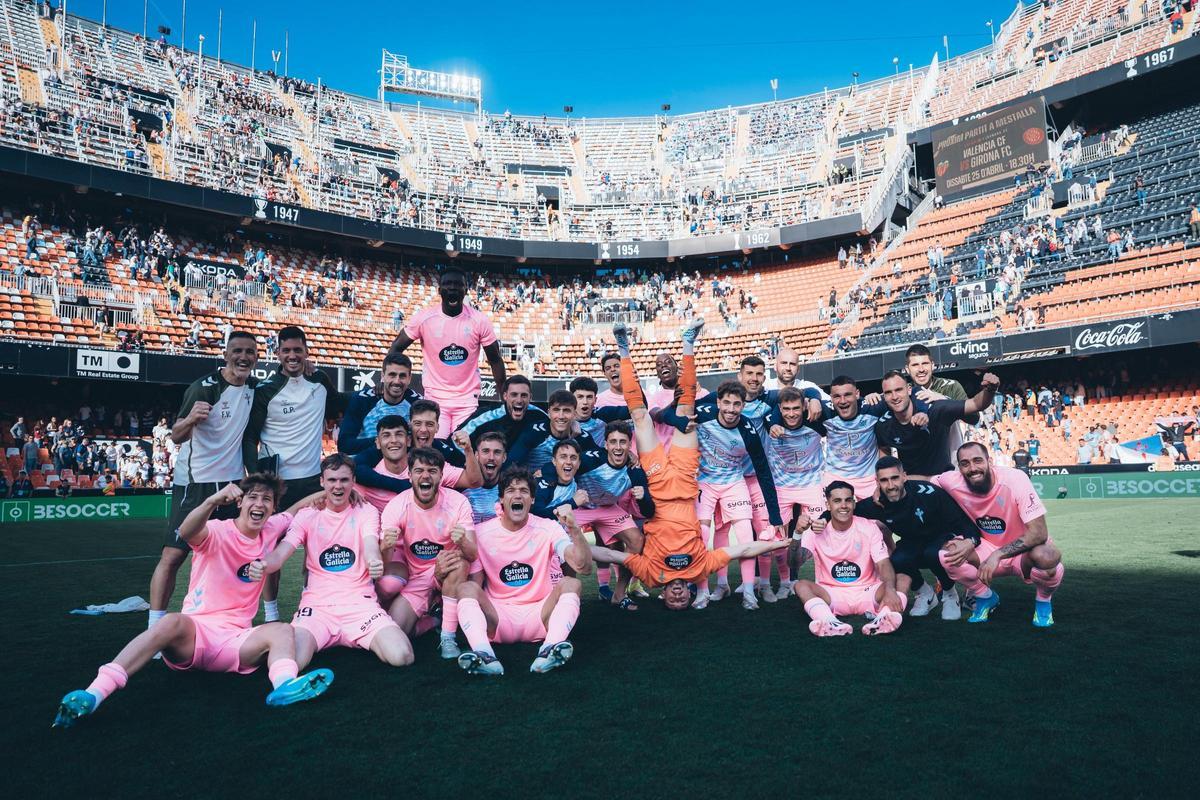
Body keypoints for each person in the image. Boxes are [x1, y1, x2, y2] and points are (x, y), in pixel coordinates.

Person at [53, 476, 333, 728]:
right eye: (253, 497)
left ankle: (285, 687)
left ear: (273, 508)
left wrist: (336, 489)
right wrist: (212, 500)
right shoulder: (217, 530)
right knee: (172, 621)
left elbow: (296, 509)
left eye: (267, 499)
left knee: (282, 629)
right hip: (194, 636)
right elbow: (187, 532)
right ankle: (94, 693)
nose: (260, 504)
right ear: (240, 502)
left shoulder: (272, 526)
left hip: (235, 642)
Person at [587, 320, 789, 611]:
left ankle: (623, 349)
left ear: (665, 597)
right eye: (683, 599)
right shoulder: (697, 570)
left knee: (640, 416)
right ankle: (689, 342)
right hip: (684, 480)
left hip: (655, 485)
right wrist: (774, 544)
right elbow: (740, 549)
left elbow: (613, 556)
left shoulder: (652, 575)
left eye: (674, 599)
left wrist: (566, 546)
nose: (679, 595)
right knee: (687, 408)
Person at [250, 454, 415, 667]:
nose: (338, 486)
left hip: (359, 605)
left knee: (402, 656)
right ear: (322, 482)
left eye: (344, 480)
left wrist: (374, 560)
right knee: (292, 660)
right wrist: (263, 565)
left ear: (354, 482)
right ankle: (285, 685)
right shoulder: (308, 514)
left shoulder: (367, 511)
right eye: (332, 480)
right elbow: (281, 554)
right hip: (318, 608)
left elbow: (371, 545)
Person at [149, 333, 258, 637]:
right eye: (237, 351)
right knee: (173, 555)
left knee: (231, 555)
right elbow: (176, 435)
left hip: (232, 482)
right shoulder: (204, 387)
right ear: (226, 354)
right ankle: (154, 629)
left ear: (257, 358)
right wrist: (190, 419)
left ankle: (226, 622)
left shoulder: (252, 387)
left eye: (250, 352)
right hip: (197, 482)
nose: (243, 357)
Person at [452, 467, 592, 676]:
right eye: (510, 490)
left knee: (572, 583)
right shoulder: (482, 533)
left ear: (532, 500)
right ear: (501, 499)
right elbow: (475, 583)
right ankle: (485, 655)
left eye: (524, 491)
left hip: (541, 615)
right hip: (499, 618)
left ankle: (549, 649)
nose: (517, 495)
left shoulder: (549, 527)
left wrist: (574, 530)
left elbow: (583, 567)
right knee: (466, 588)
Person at [242, 326, 338, 621]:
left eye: (298, 350)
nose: (293, 356)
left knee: (316, 547)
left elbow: (338, 405)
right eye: (287, 351)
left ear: (306, 351)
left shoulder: (320, 381)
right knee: (271, 549)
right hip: (278, 483)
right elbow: (249, 437)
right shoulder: (266, 391)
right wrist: (257, 477)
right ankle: (271, 614)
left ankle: (314, 607)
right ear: (278, 353)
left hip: (311, 481)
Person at [936, 443, 1064, 627]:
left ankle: (1043, 601)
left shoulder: (1014, 478)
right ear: (959, 468)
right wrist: (878, 484)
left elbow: (1039, 532)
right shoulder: (952, 480)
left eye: (977, 460)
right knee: (948, 554)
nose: (972, 468)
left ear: (990, 461)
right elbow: (922, 480)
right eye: (965, 463)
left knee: (1048, 556)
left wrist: (998, 554)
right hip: (985, 547)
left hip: (1022, 552)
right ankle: (985, 597)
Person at [693, 379, 786, 610]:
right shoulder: (703, 414)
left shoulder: (748, 431)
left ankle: (748, 591)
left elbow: (764, 472)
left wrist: (775, 517)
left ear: (743, 405)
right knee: (702, 536)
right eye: (726, 403)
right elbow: (671, 414)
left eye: (736, 404)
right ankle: (708, 589)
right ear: (718, 402)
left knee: (745, 535)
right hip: (705, 482)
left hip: (734, 482)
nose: (731, 409)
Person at [852, 457, 981, 619]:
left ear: (904, 476)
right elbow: (849, 510)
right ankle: (925, 594)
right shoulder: (878, 503)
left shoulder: (929, 493)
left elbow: (963, 522)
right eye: (884, 480)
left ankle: (950, 594)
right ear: (877, 482)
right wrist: (823, 518)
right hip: (912, 543)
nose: (891, 486)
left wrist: (971, 540)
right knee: (897, 559)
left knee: (933, 553)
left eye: (895, 478)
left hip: (939, 539)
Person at [380, 447, 476, 659]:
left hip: (450, 571)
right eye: (419, 470)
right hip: (418, 578)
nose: (425, 476)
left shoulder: (457, 502)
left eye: (432, 471)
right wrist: (386, 548)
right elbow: (383, 563)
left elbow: (473, 554)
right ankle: (435, 619)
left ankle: (448, 638)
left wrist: (462, 542)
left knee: (459, 562)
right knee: (396, 631)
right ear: (409, 475)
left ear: (441, 476)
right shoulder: (397, 506)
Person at [388, 268, 507, 437]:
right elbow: (396, 348)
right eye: (447, 284)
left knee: (462, 451)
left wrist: (504, 397)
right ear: (439, 290)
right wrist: (385, 379)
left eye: (458, 284)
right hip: (435, 399)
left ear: (465, 290)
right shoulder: (424, 318)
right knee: (435, 451)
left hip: (467, 400)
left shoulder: (479, 320)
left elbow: (495, 360)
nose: (452, 288)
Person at [789, 481, 906, 636]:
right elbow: (793, 563)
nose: (843, 505)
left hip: (868, 591)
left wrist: (890, 589)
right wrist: (797, 533)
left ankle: (883, 618)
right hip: (832, 594)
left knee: (903, 578)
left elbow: (883, 564)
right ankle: (829, 621)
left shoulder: (868, 527)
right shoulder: (815, 530)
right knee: (801, 585)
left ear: (854, 503)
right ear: (828, 505)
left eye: (848, 500)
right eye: (837, 501)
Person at [572, 422, 654, 608]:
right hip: (581, 507)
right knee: (559, 542)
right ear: (606, 444)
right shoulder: (590, 460)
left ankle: (619, 594)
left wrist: (643, 498)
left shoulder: (635, 471)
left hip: (608, 508)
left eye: (623, 442)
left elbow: (649, 511)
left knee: (636, 540)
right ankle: (567, 596)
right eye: (613, 442)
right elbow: (566, 468)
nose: (618, 447)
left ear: (629, 444)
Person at [875, 370, 999, 479]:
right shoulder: (883, 426)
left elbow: (976, 404)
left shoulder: (936, 409)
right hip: (913, 485)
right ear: (883, 396)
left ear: (909, 389)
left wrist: (990, 389)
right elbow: (884, 450)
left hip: (943, 483)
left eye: (898, 390)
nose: (894, 396)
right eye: (888, 392)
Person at [338, 353, 422, 454]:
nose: (397, 381)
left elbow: (424, 441)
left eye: (402, 376)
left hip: (404, 464)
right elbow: (344, 445)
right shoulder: (362, 400)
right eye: (392, 375)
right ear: (383, 376)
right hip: (367, 462)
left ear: (409, 378)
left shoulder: (418, 403)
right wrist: (383, 441)